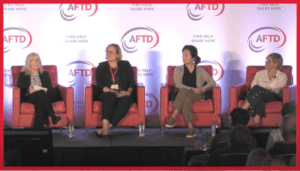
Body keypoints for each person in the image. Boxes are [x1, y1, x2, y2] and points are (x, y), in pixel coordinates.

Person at [165, 45, 216, 138]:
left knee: (186, 94)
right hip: (181, 94)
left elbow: (212, 82)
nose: (183, 57)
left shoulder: (200, 70)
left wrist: (202, 89)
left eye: (186, 55)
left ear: (193, 58)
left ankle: (173, 116)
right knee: (186, 95)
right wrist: (191, 89)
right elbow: (178, 85)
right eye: (183, 55)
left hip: (197, 95)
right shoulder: (178, 69)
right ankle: (190, 128)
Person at [94, 43, 135, 138]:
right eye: (107, 51)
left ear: (118, 55)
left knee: (127, 99)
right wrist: (109, 90)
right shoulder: (101, 66)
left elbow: (131, 82)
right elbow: (100, 84)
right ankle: (105, 130)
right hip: (106, 93)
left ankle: (105, 129)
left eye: (112, 52)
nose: (109, 54)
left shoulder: (126, 65)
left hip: (122, 93)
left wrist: (127, 92)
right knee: (109, 96)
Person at [240, 53, 288, 126]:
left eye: (268, 61)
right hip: (258, 94)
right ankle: (256, 121)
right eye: (266, 60)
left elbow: (276, 89)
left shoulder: (282, 76)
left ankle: (242, 110)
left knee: (257, 90)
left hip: (273, 96)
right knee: (259, 96)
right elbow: (253, 86)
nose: (265, 62)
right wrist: (265, 87)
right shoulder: (259, 73)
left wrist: (262, 87)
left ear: (275, 64)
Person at [17, 52, 61, 129]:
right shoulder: (23, 75)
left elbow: (50, 90)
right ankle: (52, 116)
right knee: (40, 94)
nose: (36, 63)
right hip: (29, 97)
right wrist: (29, 91)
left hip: (43, 97)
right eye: (33, 61)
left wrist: (38, 89)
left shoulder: (45, 74)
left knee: (40, 104)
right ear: (28, 63)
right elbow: (19, 90)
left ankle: (37, 132)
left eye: (37, 60)